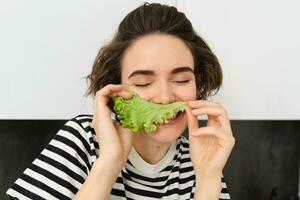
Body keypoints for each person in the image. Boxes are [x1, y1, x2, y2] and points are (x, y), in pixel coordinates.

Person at [6, 2, 235, 200]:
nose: (165, 97)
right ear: (117, 90)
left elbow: (207, 176)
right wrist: (110, 160)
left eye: (182, 79)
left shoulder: (200, 158)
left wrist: (208, 178)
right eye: (144, 83)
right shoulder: (84, 139)